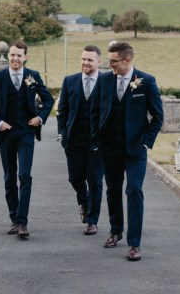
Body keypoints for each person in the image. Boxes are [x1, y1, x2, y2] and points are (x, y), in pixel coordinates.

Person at [90, 41, 164, 261]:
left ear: (127, 59)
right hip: (109, 148)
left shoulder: (146, 82)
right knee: (112, 190)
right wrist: (97, 139)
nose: (110, 65)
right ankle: (115, 231)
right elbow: (95, 111)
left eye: (113, 61)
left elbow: (157, 116)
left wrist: (145, 142)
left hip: (135, 150)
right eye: (109, 61)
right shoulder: (104, 80)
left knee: (133, 190)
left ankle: (134, 244)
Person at [0, 40, 54, 238]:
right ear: (9, 56)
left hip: (26, 132)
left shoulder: (33, 76)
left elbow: (48, 99)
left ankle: (22, 222)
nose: (15, 58)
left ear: (25, 57)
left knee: (24, 175)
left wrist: (40, 118)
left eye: (19, 55)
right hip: (6, 133)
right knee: (9, 177)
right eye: (12, 55)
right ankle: (14, 220)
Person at [57, 45, 103, 235]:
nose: (85, 62)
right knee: (75, 178)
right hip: (74, 140)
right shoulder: (70, 81)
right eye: (83, 59)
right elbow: (62, 109)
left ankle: (92, 220)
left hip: (97, 142)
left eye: (90, 60)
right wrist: (62, 132)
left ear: (99, 62)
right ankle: (83, 201)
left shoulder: (107, 81)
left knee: (95, 181)